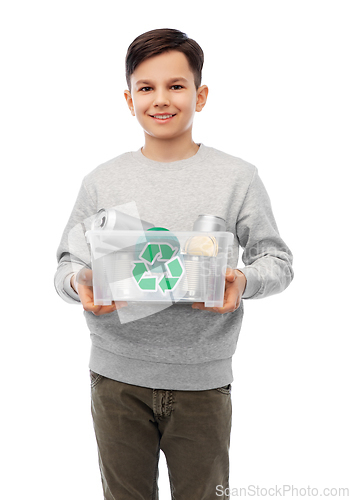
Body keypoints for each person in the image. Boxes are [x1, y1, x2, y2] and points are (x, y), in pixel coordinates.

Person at [54, 28, 294, 500]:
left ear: (200, 95)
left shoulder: (237, 178)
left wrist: (242, 280)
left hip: (203, 384)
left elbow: (278, 260)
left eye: (176, 86)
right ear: (129, 99)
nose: (160, 100)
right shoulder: (102, 180)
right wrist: (79, 280)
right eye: (146, 88)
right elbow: (65, 266)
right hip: (116, 380)